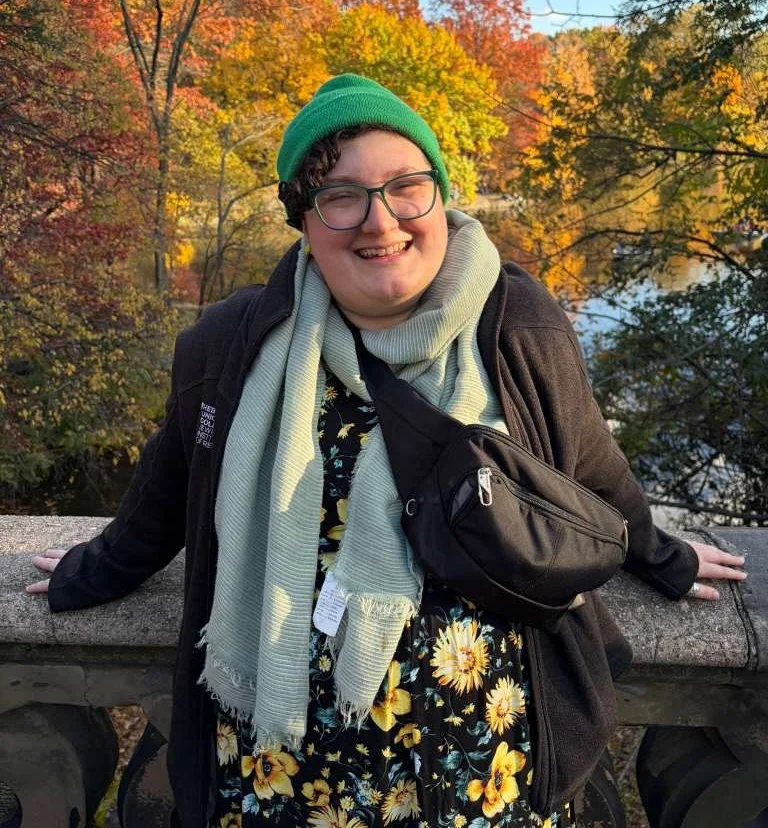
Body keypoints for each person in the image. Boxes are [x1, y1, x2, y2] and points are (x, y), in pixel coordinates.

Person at [28, 74, 746, 828]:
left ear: (436, 194)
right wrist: (94, 570)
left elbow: (589, 467)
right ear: (303, 218)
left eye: (406, 186)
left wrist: (664, 555)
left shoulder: (515, 320)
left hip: (483, 769)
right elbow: (171, 485)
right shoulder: (234, 341)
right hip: (281, 769)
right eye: (342, 196)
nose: (381, 221)